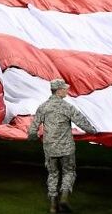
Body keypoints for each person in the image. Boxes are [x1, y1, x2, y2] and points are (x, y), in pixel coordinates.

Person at [27, 78, 98, 213]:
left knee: (53, 173)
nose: (66, 90)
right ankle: (64, 198)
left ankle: (53, 205)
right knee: (69, 172)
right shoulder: (67, 107)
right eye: (64, 89)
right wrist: (94, 132)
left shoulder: (43, 107)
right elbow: (82, 122)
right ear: (59, 91)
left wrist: (32, 136)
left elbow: (33, 128)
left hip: (50, 148)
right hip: (66, 148)